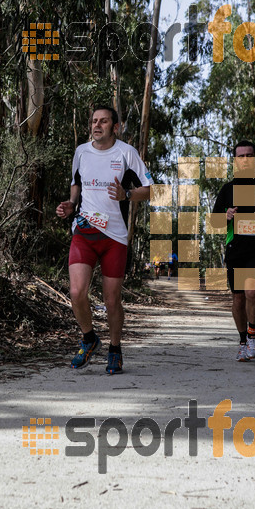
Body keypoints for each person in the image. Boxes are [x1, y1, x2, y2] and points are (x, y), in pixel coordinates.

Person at [56, 106, 152, 374]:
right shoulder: (81, 152)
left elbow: (151, 190)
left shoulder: (126, 153)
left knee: (112, 300)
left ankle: (115, 350)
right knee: (76, 292)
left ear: (115, 127)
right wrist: (71, 204)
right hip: (84, 232)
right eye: (94, 121)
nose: (97, 125)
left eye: (104, 121)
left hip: (114, 237)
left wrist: (127, 196)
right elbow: (76, 182)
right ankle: (89, 339)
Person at [212, 140, 255, 362]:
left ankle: (252, 335)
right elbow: (214, 222)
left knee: (252, 292)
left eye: (249, 155)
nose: (245, 160)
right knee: (238, 298)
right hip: (236, 248)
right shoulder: (228, 189)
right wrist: (226, 216)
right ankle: (243, 340)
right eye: (240, 156)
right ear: (235, 160)